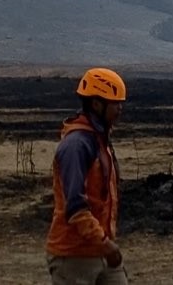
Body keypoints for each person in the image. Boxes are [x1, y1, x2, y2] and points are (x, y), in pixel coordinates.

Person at [46, 68, 129, 285]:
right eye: (115, 104)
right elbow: (75, 206)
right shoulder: (76, 145)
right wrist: (105, 244)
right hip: (73, 255)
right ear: (96, 104)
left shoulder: (99, 140)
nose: (120, 110)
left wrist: (105, 244)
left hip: (100, 251)